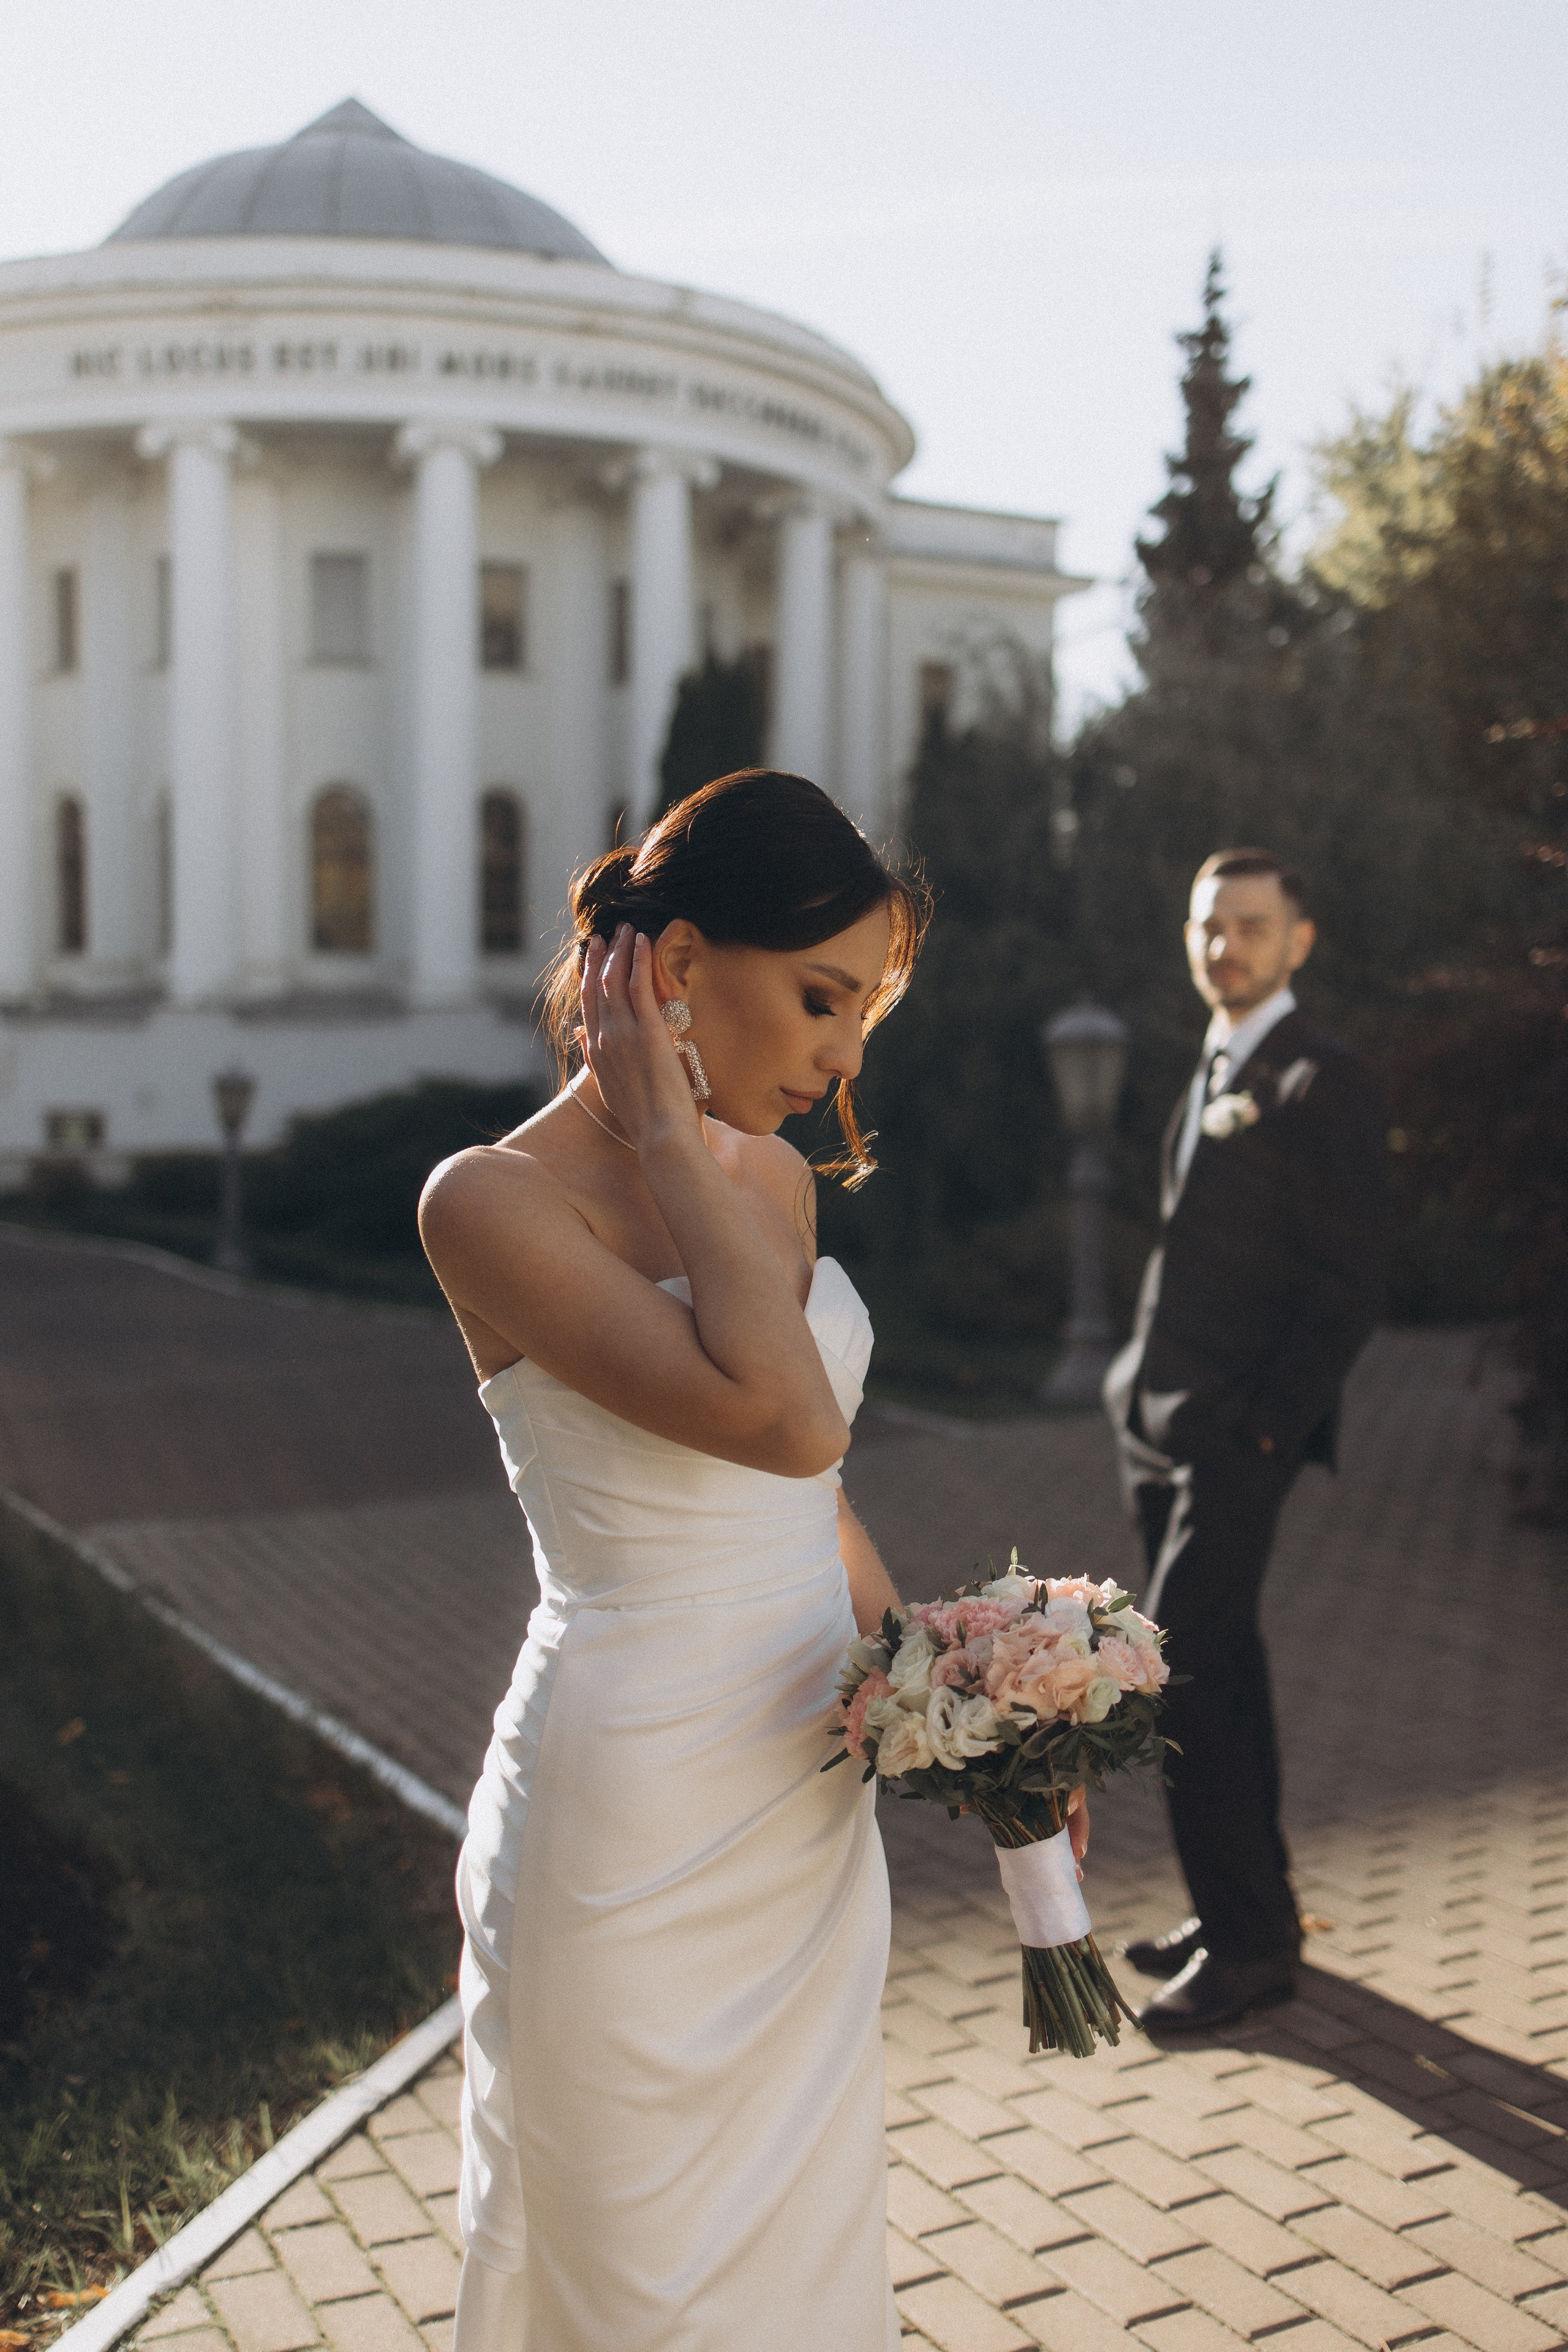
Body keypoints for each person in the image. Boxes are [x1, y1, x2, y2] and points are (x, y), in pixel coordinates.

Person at [417, 771, 925, 2352]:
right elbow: (778, 1417)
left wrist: (960, 1698)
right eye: (824, 998)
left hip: (805, 1828)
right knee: (632, 2287)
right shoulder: (487, 1206)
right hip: (626, 1831)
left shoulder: (775, 1184)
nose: (847, 1058)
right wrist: (651, 1126)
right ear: (683, 962)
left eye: (868, 1015)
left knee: (797, 2276)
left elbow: (813, 1506)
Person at [1103, 848, 1389, 2031]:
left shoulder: (1326, 1080)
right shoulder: (1211, 1063)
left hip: (1235, 1436)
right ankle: (1246, 1911)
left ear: (1299, 940)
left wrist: (1267, 1430)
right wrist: (1131, 1387)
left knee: (1179, 1669)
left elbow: (1350, 1283)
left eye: (1252, 928)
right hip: (1157, 1425)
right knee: (1230, 1670)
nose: (1226, 947)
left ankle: (1253, 1952)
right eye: (1210, 927)